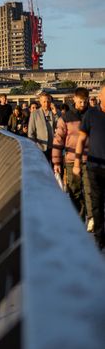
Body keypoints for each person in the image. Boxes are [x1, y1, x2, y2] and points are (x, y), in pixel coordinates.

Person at [74, 84, 105, 250]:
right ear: (100, 97)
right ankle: (100, 239)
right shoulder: (91, 115)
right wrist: (77, 162)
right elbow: (81, 140)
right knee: (96, 203)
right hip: (94, 167)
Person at [52, 87, 89, 218]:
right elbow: (58, 139)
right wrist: (56, 162)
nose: (83, 105)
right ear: (74, 99)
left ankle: (90, 220)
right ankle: (78, 219)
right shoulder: (65, 118)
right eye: (80, 102)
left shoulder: (92, 115)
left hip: (90, 159)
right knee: (75, 192)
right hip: (71, 160)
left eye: (85, 102)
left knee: (90, 192)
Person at [27, 92, 58, 160]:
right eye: (44, 102)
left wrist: (56, 114)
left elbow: (59, 126)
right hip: (40, 147)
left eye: (48, 101)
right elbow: (31, 132)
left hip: (52, 146)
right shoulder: (34, 114)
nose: (46, 104)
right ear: (40, 102)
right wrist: (34, 145)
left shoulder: (54, 113)